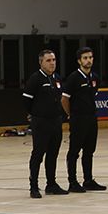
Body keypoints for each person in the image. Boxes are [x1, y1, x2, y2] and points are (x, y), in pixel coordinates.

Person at [22, 49, 66, 198]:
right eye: (48, 60)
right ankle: (33, 186)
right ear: (41, 62)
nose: (52, 63)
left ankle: (51, 184)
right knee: (38, 154)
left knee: (53, 154)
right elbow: (26, 100)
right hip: (41, 122)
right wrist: (34, 114)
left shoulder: (57, 78)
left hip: (56, 121)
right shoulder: (35, 79)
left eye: (54, 60)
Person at [62, 46, 105, 193]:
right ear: (79, 61)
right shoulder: (73, 78)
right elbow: (64, 99)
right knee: (74, 151)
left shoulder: (95, 77)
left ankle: (88, 180)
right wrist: (71, 114)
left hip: (91, 118)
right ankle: (73, 182)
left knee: (89, 150)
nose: (88, 60)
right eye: (85, 58)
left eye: (90, 57)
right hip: (78, 119)